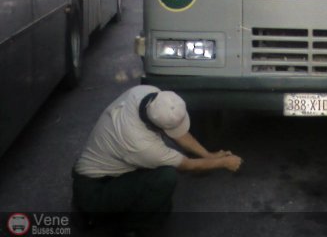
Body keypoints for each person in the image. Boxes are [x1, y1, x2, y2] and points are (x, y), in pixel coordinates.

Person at [72, 85, 242, 236]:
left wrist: (209, 155)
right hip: (95, 189)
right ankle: (129, 226)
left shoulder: (146, 93)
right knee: (165, 178)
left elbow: (179, 134)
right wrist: (224, 163)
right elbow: (187, 165)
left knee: (161, 199)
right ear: (156, 127)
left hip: (104, 169)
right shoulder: (141, 146)